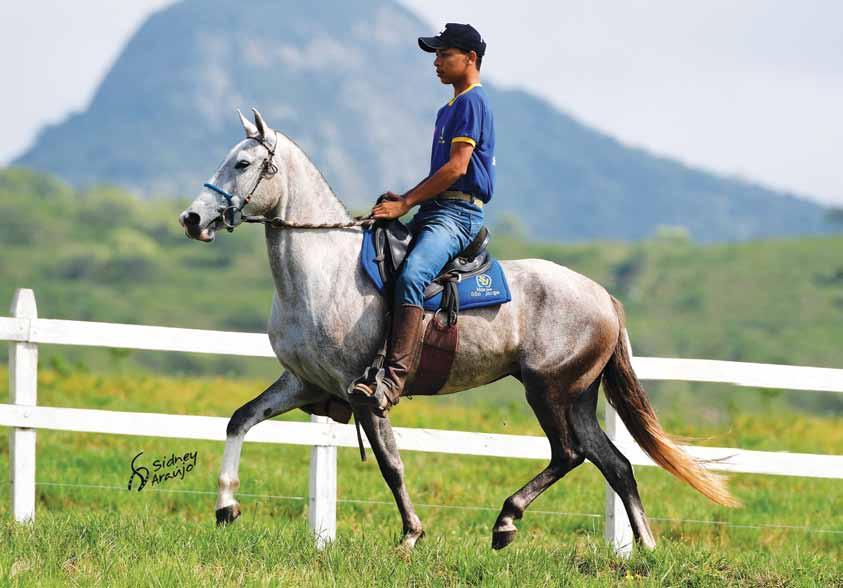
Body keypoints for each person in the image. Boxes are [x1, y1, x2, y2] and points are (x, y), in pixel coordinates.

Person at [349, 23, 496, 415]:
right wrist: (406, 200)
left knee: (414, 275)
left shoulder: (471, 103)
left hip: (457, 214)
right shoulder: (448, 108)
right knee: (380, 259)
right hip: (436, 209)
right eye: (436, 54)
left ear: (470, 59)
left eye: (444, 54)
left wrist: (407, 203)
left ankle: (393, 381)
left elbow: (456, 168)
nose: (436, 61)